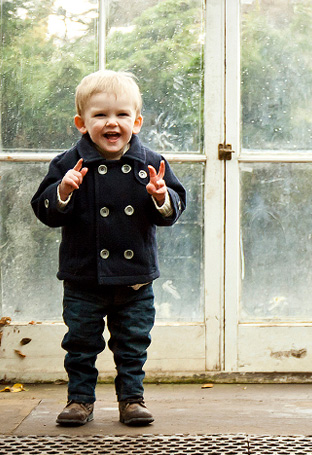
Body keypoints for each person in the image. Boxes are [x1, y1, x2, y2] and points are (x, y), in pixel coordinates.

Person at [31, 70, 186, 427]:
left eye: (121, 115)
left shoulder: (150, 164)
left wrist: (162, 197)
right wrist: (64, 191)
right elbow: (44, 210)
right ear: (82, 123)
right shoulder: (68, 163)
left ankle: (132, 399)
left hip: (134, 280)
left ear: (137, 121)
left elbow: (174, 210)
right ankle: (79, 400)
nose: (111, 123)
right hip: (84, 276)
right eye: (100, 115)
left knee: (132, 344)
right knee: (81, 344)